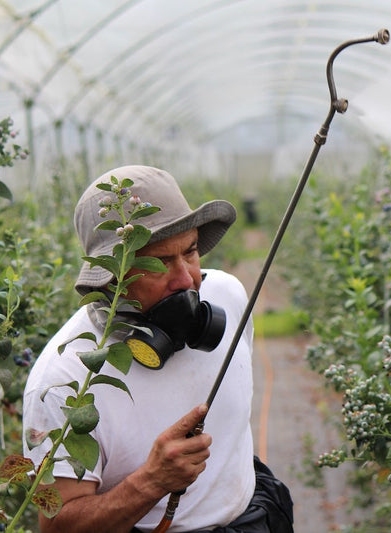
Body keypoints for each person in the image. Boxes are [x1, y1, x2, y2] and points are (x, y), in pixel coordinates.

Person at [22, 165, 293, 533]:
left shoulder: (227, 296)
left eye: (191, 251)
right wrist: (151, 481)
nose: (188, 280)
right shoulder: (63, 381)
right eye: (161, 263)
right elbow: (57, 527)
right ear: (111, 276)